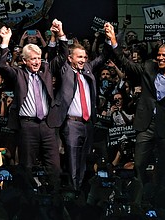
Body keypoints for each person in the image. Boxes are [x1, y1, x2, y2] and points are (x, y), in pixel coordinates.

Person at [0, 19, 69, 205]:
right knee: (27, 165)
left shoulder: (46, 70)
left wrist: (60, 34)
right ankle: (29, 203)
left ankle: (55, 199)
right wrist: (5, 41)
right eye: (33, 59)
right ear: (25, 61)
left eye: (38, 58)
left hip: (47, 125)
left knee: (54, 166)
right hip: (27, 126)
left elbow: (63, 55)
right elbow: (1, 66)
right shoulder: (18, 73)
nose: (36, 62)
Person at [106, 23, 165, 205]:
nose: (160, 58)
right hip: (145, 125)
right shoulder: (148, 67)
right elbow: (126, 63)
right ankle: (138, 201)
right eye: (159, 55)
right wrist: (114, 41)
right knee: (139, 164)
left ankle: (163, 202)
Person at [51, 22, 117, 195]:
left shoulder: (87, 68)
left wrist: (109, 38)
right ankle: (73, 195)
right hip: (72, 124)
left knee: (84, 161)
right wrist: (62, 35)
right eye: (79, 57)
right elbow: (59, 53)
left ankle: (80, 193)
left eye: (84, 57)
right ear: (70, 58)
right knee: (72, 161)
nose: (82, 60)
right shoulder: (64, 69)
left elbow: (103, 56)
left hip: (88, 123)